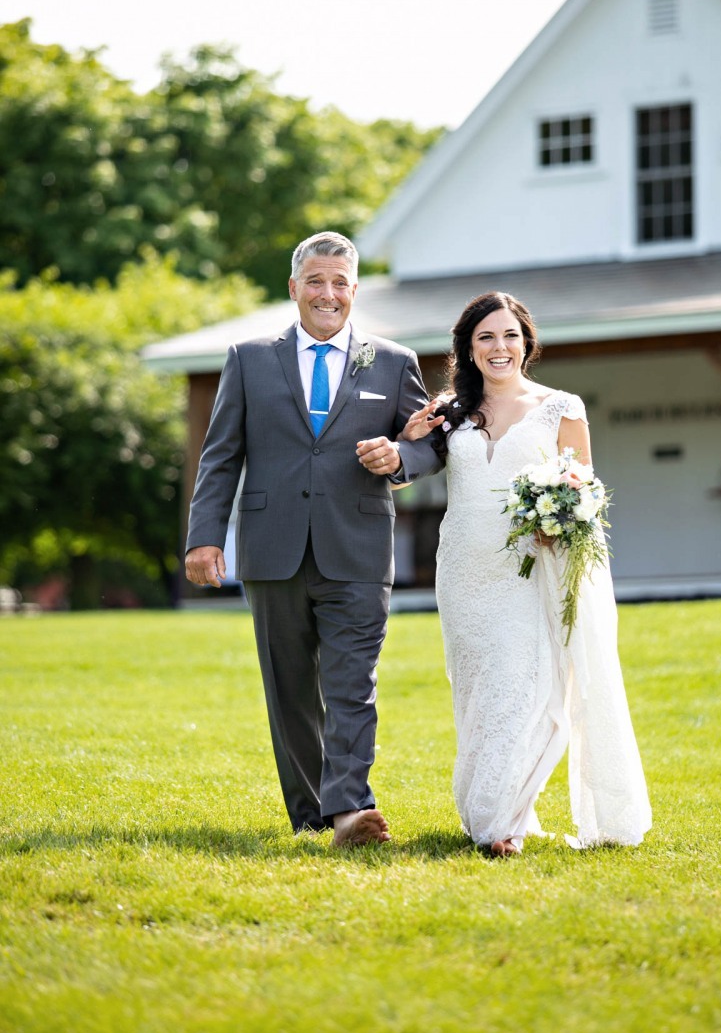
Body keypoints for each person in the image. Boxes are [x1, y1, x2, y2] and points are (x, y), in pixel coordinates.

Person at [185, 232, 437, 846]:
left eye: (341, 284)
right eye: (317, 282)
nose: (329, 294)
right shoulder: (248, 358)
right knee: (290, 690)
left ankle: (350, 808)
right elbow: (221, 456)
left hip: (357, 548)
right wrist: (204, 537)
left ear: (355, 291)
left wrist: (399, 457)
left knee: (353, 683)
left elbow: (431, 442)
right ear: (294, 288)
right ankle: (310, 816)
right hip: (272, 548)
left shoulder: (393, 361)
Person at [401, 291, 651, 856]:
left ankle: (498, 820)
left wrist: (557, 520)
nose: (499, 347)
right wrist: (410, 441)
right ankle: (507, 809)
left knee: (525, 686)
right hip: (462, 568)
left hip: (528, 570)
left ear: (527, 342)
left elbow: (583, 491)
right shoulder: (450, 411)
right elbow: (408, 471)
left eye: (510, 335)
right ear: (469, 347)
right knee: (477, 693)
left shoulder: (561, 407)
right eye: (486, 337)